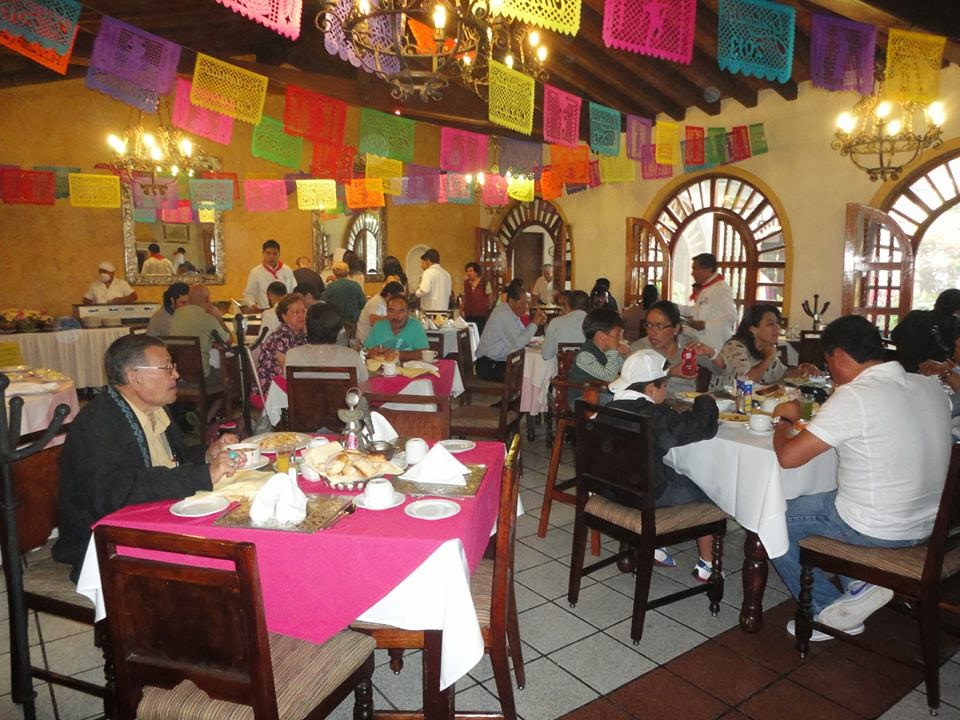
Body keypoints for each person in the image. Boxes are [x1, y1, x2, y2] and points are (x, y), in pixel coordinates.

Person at [771, 315, 952, 639]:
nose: (830, 373)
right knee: (826, 493)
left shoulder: (854, 396)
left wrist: (783, 421)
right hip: (931, 527)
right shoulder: (930, 387)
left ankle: (826, 611)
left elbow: (788, 458)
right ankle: (860, 581)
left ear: (839, 355)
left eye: (828, 364)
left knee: (770, 519)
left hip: (877, 529)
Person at [51, 334, 242, 581]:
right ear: (134, 377)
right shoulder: (99, 424)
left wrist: (207, 455)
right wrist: (201, 475)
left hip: (155, 519)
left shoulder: (154, 408)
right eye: (166, 368)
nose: (176, 374)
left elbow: (173, 462)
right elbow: (116, 493)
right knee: (225, 563)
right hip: (103, 545)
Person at [606, 349, 721, 581]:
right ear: (650, 388)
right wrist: (705, 399)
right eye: (664, 386)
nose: (665, 391)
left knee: (670, 472)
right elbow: (702, 426)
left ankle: (656, 546)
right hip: (646, 496)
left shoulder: (607, 409)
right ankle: (707, 565)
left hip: (611, 490)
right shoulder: (654, 417)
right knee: (712, 489)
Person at [709, 303, 818, 391]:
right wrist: (768, 359)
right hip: (724, 403)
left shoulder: (766, 347)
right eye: (770, 324)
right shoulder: (735, 347)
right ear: (753, 329)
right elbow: (745, 383)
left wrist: (802, 371)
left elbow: (782, 374)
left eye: (777, 323)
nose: (777, 328)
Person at [630, 300, 719, 397]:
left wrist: (711, 353)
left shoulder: (688, 345)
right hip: (652, 406)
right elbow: (635, 385)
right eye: (649, 325)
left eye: (659, 326)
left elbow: (721, 371)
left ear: (676, 329)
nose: (652, 332)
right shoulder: (639, 349)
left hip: (686, 405)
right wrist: (671, 373)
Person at [475, 284, 546, 381]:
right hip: (490, 366)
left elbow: (522, 334)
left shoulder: (511, 313)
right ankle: (530, 395)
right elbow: (518, 343)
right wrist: (534, 323)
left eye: (526, 303)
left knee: (532, 371)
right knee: (528, 375)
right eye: (522, 303)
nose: (525, 307)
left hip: (499, 362)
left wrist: (535, 323)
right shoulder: (503, 314)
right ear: (511, 301)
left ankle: (533, 395)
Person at [285, 303, 368, 382]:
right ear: (339, 331)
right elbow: (363, 385)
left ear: (306, 327)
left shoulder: (292, 356)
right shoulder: (351, 357)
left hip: (301, 397)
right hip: (340, 397)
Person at [168, 285, 231, 381]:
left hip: (180, 375)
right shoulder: (208, 319)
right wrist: (218, 318)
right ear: (207, 299)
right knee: (233, 374)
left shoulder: (177, 314)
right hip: (203, 376)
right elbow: (229, 341)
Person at [568, 308, 630, 405]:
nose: (620, 339)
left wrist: (625, 356)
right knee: (622, 402)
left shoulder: (608, 351)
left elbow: (625, 371)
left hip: (602, 393)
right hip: (583, 397)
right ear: (601, 336)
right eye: (617, 335)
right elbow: (609, 377)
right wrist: (614, 351)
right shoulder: (584, 356)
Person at [891, 288, 960, 372]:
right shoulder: (954, 324)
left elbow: (894, 337)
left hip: (903, 370)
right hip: (935, 374)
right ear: (957, 311)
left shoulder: (913, 316)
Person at [679, 253, 737, 350]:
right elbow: (695, 312)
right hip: (702, 343)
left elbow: (730, 317)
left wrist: (705, 326)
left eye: (695, 268)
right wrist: (673, 307)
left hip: (716, 346)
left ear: (708, 269)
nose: (692, 273)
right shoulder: (706, 289)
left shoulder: (721, 288)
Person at [257, 293, 308, 396]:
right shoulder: (280, 337)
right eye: (295, 312)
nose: (301, 316)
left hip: (290, 384)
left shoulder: (301, 334)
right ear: (284, 317)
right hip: (271, 390)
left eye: (303, 311)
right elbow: (289, 371)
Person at [365, 295, 430, 361]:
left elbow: (424, 353)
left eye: (401, 311)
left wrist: (399, 354)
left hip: (408, 369)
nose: (396, 316)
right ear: (386, 312)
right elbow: (365, 350)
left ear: (408, 312)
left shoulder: (415, 326)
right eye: (392, 311)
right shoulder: (379, 326)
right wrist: (370, 353)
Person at [242, 239, 296, 311]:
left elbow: (293, 291)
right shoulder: (255, 272)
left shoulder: (287, 270)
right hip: (264, 310)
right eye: (268, 253)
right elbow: (249, 294)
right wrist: (252, 305)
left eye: (275, 253)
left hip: (285, 311)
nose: (272, 256)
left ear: (279, 254)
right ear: (263, 253)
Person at [541, 290, 589, 361]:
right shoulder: (596, 323)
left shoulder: (556, 322)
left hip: (564, 370)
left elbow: (546, 355)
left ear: (567, 304)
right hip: (591, 370)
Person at [321, 261, 367, 327]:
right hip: (353, 322)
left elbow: (323, 302)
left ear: (334, 272)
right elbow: (363, 304)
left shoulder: (331, 287)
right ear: (347, 272)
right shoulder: (355, 285)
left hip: (336, 322)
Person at [416, 248, 452, 312]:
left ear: (428, 261)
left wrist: (417, 292)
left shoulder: (428, 272)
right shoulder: (446, 274)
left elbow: (424, 290)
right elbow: (449, 293)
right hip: (444, 310)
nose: (421, 265)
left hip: (430, 311)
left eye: (423, 262)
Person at [462, 261, 492, 332]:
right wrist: (461, 310)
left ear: (477, 272)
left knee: (480, 332)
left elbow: (490, 296)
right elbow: (464, 297)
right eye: (467, 271)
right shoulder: (466, 283)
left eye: (471, 271)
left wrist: (488, 307)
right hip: (469, 313)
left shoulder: (485, 282)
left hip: (481, 314)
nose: (468, 273)